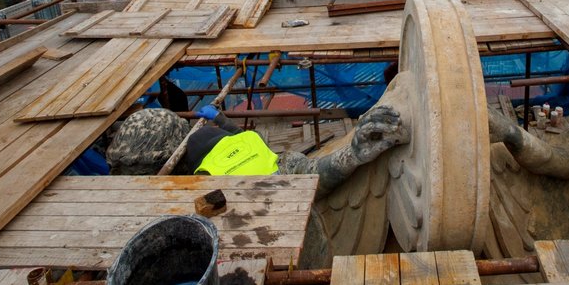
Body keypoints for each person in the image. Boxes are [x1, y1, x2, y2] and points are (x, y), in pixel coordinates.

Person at [106, 103, 409, 200]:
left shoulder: (215, 180)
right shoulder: (242, 142)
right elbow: (310, 173)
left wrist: (353, 152)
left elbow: (311, 178)